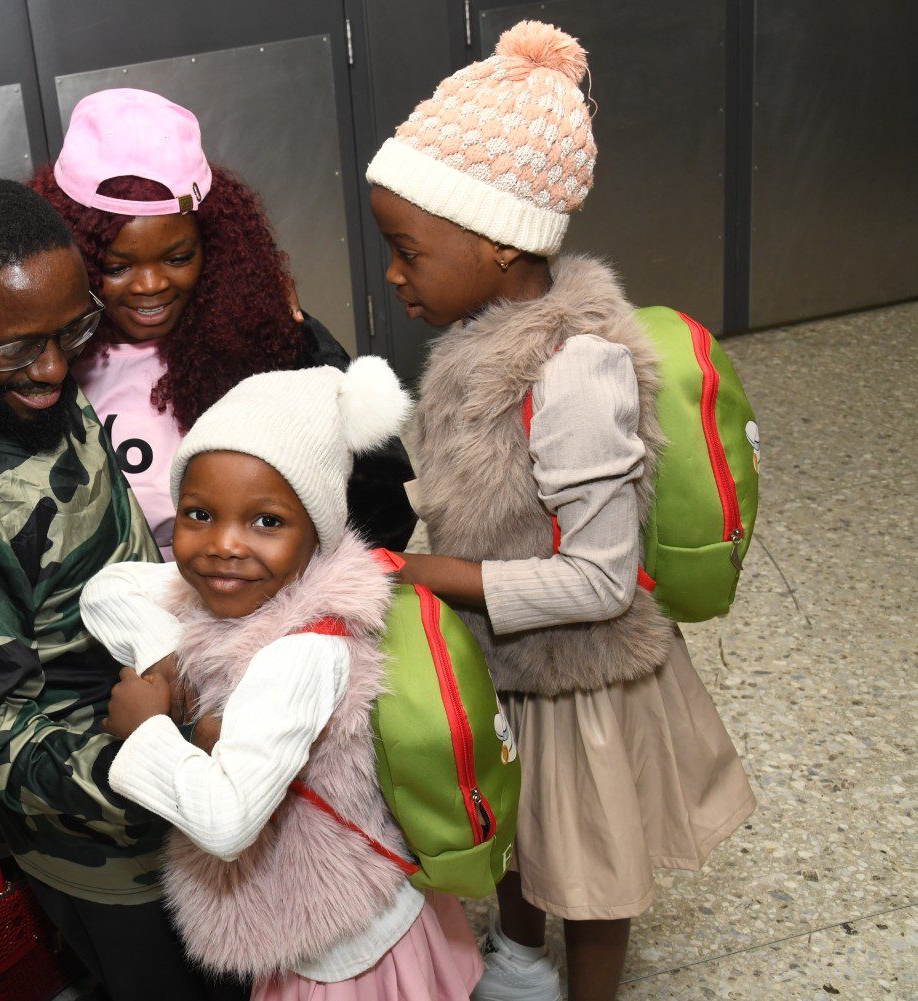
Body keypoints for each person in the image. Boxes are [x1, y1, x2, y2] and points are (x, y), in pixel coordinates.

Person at [362, 22, 755, 1001]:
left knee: (589, 863)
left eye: (407, 250)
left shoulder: (577, 375)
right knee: (520, 824)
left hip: (581, 680)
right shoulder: (479, 338)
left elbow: (599, 578)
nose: (393, 273)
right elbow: (477, 487)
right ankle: (522, 957)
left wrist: (430, 575)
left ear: (498, 242)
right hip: (505, 654)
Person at [0, 179, 241, 1001]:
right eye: (15, 348)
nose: (53, 368)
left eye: (73, 330)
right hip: (117, 853)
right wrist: (169, 771)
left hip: (188, 759)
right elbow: (2, 739)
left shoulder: (25, 368)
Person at [80, 359, 483, 1000]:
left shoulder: (300, 656)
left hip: (339, 941)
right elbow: (107, 591)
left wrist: (150, 728)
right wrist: (169, 664)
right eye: (199, 514)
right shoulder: (247, 591)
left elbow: (227, 821)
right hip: (334, 914)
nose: (224, 545)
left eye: (266, 521)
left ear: (316, 536)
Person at [25, 88, 416, 557]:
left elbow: (378, 507)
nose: (150, 285)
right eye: (116, 267)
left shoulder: (269, 341)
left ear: (215, 246)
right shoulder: (45, 364)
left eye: (179, 257)